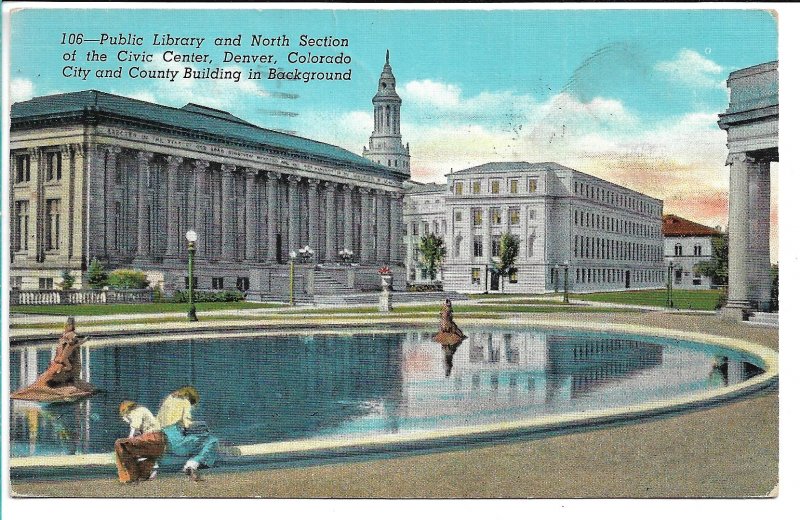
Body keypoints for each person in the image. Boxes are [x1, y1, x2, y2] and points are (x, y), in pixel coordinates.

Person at [12, 317, 94, 400]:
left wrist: (81, 341)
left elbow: (72, 345)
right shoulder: (70, 337)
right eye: (70, 325)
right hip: (62, 359)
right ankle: (62, 374)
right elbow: (72, 344)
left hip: (62, 358)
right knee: (66, 364)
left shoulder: (68, 337)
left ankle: (63, 375)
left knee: (66, 363)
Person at [157, 386, 219, 481]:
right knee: (212, 441)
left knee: (195, 442)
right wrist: (203, 426)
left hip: (161, 438)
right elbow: (187, 424)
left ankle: (191, 463)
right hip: (175, 440)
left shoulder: (168, 399)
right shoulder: (185, 402)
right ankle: (192, 464)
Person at [114, 401, 165, 484]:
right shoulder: (142, 410)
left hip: (152, 437)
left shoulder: (135, 411)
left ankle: (128, 476)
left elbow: (135, 425)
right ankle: (148, 468)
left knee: (120, 444)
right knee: (135, 450)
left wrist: (130, 438)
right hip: (158, 440)